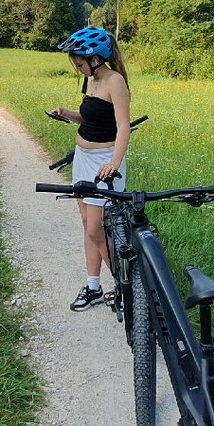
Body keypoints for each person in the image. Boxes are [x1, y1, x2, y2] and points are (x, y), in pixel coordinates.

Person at [49, 27, 131, 311]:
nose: (77, 68)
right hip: (83, 159)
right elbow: (87, 116)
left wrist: (114, 163)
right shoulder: (91, 79)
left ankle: (125, 286)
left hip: (104, 161)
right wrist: (66, 114)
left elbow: (123, 127)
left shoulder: (114, 81)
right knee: (87, 222)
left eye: (79, 63)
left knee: (97, 228)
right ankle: (93, 286)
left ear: (95, 58)